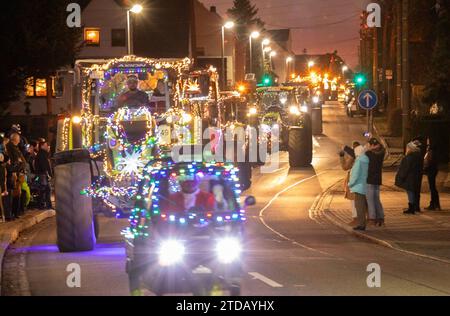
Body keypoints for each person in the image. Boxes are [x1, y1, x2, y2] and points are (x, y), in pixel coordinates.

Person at [395, 141, 423, 214]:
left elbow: (405, 169)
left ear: (410, 148)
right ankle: (416, 207)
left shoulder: (408, 157)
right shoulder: (419, 156)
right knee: (415, 191)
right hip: (417, 177)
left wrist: (401, 177)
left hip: (409, 177)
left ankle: (411, 208)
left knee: (410, 191)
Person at [365, 138, 386, 227]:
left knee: (370, 200)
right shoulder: (381, 153)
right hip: (377, 179)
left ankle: (372, 219)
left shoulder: (368, 154)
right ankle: (381, 218)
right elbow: (384, 148)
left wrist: (368, 149)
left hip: (369, 179)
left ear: (372, 146)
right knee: (376, 199)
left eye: (369, 145)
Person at [348, 144, 369, 231]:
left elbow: (355, 175)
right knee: (364, 206)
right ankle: (363, 223)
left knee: (359, 206)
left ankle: (361, 224)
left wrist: (350, 184)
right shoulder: (366, 159)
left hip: (358, 186)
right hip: (365, 185)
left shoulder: (359, 161)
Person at [339, 145, 357, 225]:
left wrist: (342, 156)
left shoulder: (354, 157)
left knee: (353, 201)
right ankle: (369, 218)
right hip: (364, 181)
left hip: (354, 181)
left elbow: (345, 167)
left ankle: (356, 219)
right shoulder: (365, 156)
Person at [35, 141, 53, 209]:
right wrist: (47, 174)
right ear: (42, 146)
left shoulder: (43, 154)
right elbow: (44, 165)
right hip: (42, 175)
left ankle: (44, 205)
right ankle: (44, 205)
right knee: (45, 190)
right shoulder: (42, 154)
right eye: (45, 145)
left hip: (42, 174)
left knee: (44, 190)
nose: (47, 146)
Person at [423, 138, 441, 211]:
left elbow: (429, 162)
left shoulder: (431, 152)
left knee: (432, 188)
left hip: (431, 171)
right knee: (433, 188)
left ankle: (434, 204)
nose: (427, 146)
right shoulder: (432, 152)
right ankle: (435, 204)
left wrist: (424, 169)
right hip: (432, 170)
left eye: (428, 145)